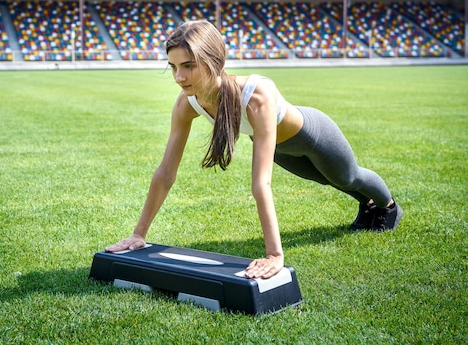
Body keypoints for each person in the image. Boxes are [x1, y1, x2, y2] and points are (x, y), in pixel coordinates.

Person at [105, 20, 402, 279]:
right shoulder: (188, 103)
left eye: (188, 66)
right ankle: (368, 206)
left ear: (214, 61)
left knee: (348, 177)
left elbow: (261, 183)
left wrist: (274, 255)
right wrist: (138, 234)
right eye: (173, 67)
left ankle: (388, 207)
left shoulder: (256, 93)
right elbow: (166, 172)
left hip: (314, 134)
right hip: (281, 149)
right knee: (328, 179)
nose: (179, 77)